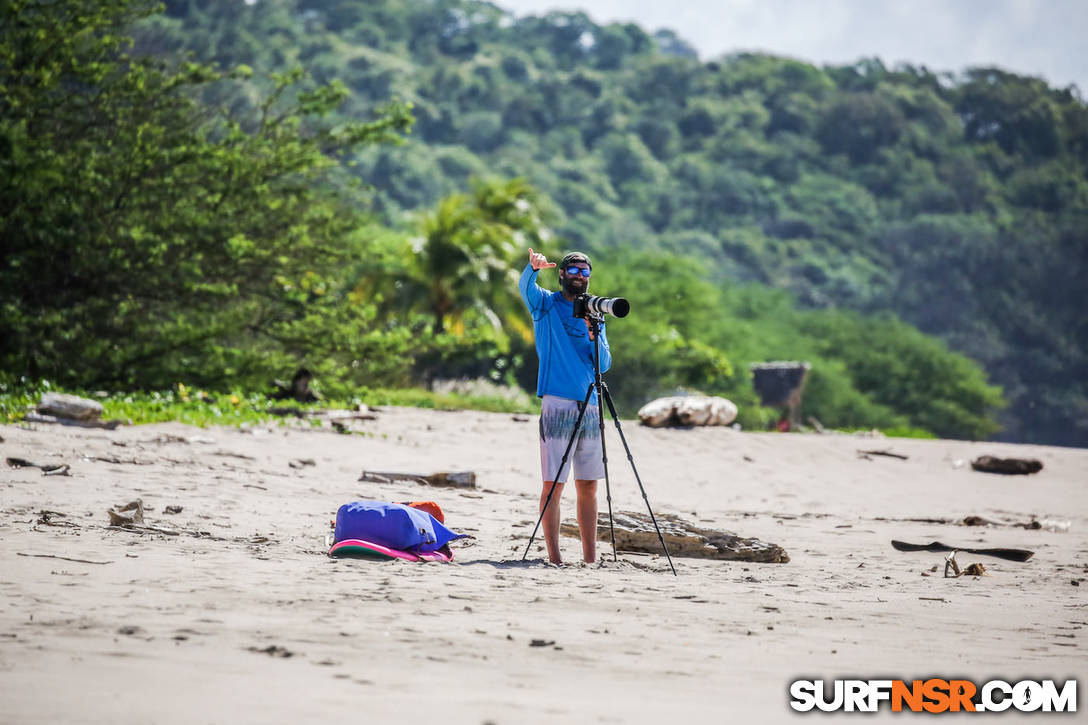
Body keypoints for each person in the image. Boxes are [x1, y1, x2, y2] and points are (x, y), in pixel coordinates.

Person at [519, 248, 612, 564]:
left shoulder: (593, 312)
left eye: (585, 272)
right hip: (557, 402)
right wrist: (532, 270)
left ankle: (590, 558)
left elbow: (605, 363)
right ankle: (555, 557)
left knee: (588, 485)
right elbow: (525, 290)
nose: (579, 278)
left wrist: (593, 331)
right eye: (573, 271)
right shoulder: (546, 305)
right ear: (562, 274)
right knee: (553, 484)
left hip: (589, 403)